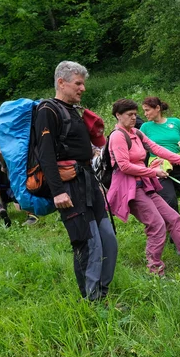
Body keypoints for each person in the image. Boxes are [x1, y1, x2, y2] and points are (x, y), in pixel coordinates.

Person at [34, 61, 117, 301]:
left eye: (83, 83)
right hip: (69, 186)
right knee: (88, 243)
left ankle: (103, 290)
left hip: (88, 181)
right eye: (78, 83)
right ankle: (93, 301)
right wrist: (58, 191)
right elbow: (46, 154)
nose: (82, 88)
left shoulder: (73, 110)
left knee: (108, 240)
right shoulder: (47, 110)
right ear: (61, 82)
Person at [106, 98, 180, 276]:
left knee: (174, 218)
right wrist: (153, 172)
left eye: (135, 114)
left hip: (144, 185)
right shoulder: (117, 137)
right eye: (129, 115)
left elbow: (156, 148)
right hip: (130, 188)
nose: (134, 118)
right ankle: (155, 270)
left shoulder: (136, 133)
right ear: (118, 115)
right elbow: (124, 166)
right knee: (157, 225)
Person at [140, 97, 180, 237]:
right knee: (170, 201)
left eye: (147, 110)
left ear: (157, 108)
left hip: (179, 164)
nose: (145, 114)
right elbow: (141, 149)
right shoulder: (145, 127)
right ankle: (177, 235)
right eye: (144, 111)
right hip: (160, 168)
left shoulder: (176, 122)